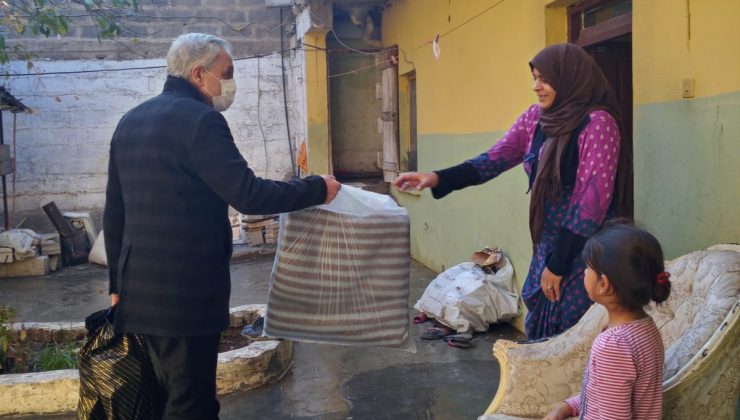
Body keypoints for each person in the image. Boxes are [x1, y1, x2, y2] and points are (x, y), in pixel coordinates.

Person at [103, 33, 341, 419]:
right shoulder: (201, 121)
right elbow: (249, 194)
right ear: (198, 74)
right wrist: (318, 187)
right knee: (192, 402)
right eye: (226, 73)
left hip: (136, 292)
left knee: (161, 396)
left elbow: (115, 212)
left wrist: (116, 284)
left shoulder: (130, 121)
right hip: (184, 293)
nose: (231, 83)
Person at [393, 43, 627, 340]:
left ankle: (586, 386)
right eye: (534, 77)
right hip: (548, 241)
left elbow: (590, 204)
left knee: (577, 328)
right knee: (542, 322)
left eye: (544, 79)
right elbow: (493, 160)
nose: (536, 87)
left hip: (587, 248)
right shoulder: (536, 118)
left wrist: (557, 265)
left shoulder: (598, 124)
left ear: (569, 78)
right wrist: (437, 177)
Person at [544, 221, 671, 419]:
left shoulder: (613, 346)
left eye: (588, 268)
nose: (584, 273)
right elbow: (604, 397)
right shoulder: (646, 327)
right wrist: (566, 408)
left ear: (603, 284)